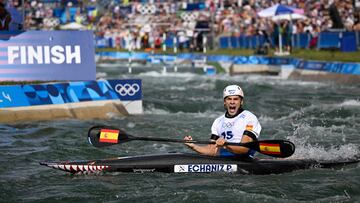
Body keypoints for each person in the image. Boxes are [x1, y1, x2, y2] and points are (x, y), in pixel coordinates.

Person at [184, 85, 261, 158]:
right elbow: (212, 150)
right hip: (223, 159)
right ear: (224, 102)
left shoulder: (249, 118)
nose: (232, 102)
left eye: (236, 99)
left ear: (241, 102)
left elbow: (244, 149)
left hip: (244, 160)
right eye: (229, 99)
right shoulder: (218, 122)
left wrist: (226, 145)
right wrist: (193, 146)